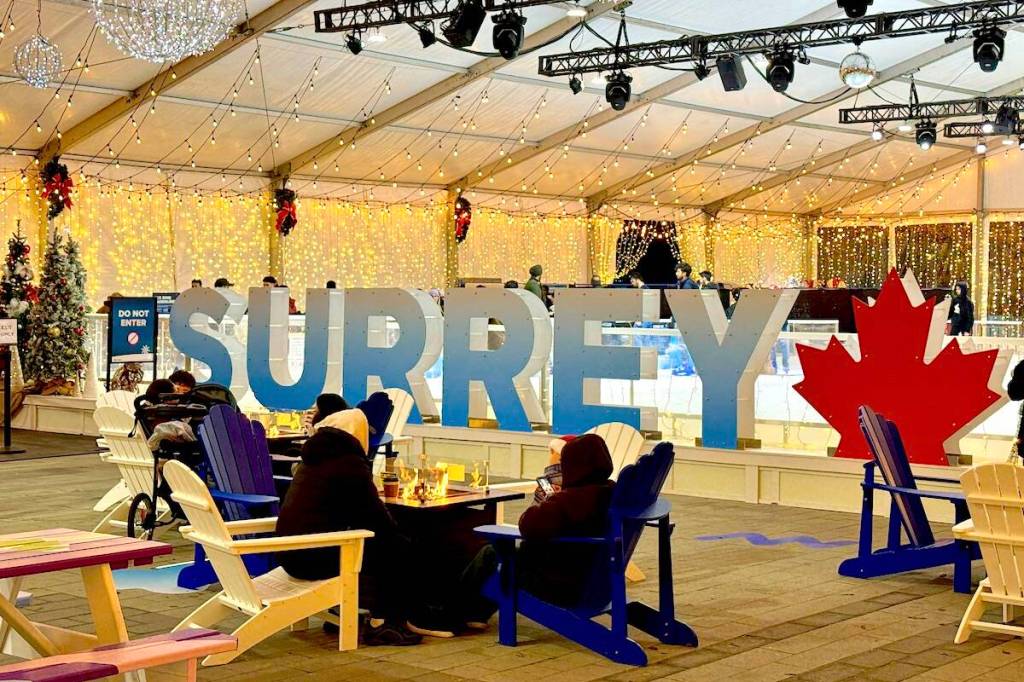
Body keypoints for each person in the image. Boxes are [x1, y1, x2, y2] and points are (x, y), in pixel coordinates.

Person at [275, 409, 423, 646]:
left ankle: (341, 611)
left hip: (289, 552)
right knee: (395, 547)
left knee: (377, 542)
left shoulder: (313, 459)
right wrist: (397, 533)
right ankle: (381, 623)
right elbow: (374, 516)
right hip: (312, 557)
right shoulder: (348, 462)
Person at [458, 434, 615, 625]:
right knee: (502, 557)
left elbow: (528, 526)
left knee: (491, 553)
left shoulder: (569, 500)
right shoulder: (611, 492)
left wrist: (549, 500)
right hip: (595, 579)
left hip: (559, 582)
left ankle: (447, 616)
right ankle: (475, 613)